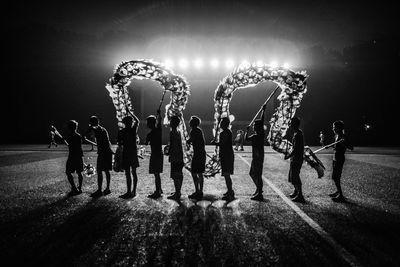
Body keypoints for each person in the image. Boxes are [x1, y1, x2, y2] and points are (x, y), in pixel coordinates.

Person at [86, 116, 113, 198]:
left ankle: (100, 189)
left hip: (104, 152)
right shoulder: (102, 129)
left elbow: (89, 131)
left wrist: (85, 133)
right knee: (105, 170)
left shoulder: (98, 129)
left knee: (100, 170)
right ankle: (106, 188)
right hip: (106, 152)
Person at [327, 120, 353, 202]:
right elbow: (336, 147)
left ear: (339, 128)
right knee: (335, 177)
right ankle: (338, 192)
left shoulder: (343, 136)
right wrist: (328, 146)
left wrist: (344, 143)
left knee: (336, 177)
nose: (333, 129)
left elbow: (351, 147)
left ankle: (340, 195)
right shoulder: (337, 136)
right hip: (335, 158)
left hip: (339, 159)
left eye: (334, 127)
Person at [245, 104, 266, 201]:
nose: (253, 126)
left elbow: (261, 121)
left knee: (257, 175)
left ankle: (259, 192)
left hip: (258, 158)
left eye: (254, 126)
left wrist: (263, 111)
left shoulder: (260, 135)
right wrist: (247, 131)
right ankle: (259, 189)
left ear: (257, 127)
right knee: (252, 174)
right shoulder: (256, 136)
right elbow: (246, 139)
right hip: (257, 158)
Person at [117, 113, 140, 198]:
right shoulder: (133, 130)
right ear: (130, 123)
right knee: (133, 172)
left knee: (128, 173)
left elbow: (119, 143)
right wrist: (130, 112)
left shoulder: (121, 132)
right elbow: (137, 121)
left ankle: (129, 191)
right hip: (133, 153)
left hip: (126, 153)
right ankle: (133, 191)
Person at [213, 117, 235, 201]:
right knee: (226, 175)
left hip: (227, 156)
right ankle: (229, 190)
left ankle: (230, 192)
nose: (221, 124)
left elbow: (223, 143)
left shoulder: (226, 133)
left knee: (227, 174)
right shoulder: (225, 132)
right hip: (225, 155)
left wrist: (216, 143)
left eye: (222, 123)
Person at [284, 117, 305, 202]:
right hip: (295, 158)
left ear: (295, 124)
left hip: (297, 158)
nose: (290, 125)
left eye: (291, 123)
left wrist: (288, 155)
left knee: (296, 176)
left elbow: (296, 148)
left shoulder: (298, 134)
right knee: (293, 176)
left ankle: (300, 195)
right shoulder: (297, 133)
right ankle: (296, 191)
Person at [145, 109, 164, 199]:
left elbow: (159, 121)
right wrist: (159, 115)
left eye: (148, 122)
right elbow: (159, 122)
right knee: (157, 173)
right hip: (157, 154)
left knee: (156, 173)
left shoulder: (154, 131)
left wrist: (159, 115)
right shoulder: (156, 131)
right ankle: (159, 188)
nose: (147, 124)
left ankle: (158, 191)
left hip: (156, 154)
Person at [187, 116, 206, 200]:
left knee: (195, 172)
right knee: (199, 173)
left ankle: (198, 190)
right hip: (201, 153)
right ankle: (199, 191)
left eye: (191, 121)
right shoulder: (199, 131)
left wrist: (186, 141)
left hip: (198, 154)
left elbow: (191, 140)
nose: (189, 123)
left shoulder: (194, 131)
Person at [64, 120, 84, 196]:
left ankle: (74, 187)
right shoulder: (78, 135)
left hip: (72, 156)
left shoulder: (69, 136)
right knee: (79, 172)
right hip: (78, 156)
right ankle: (80, 188)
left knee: (68, 172)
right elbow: (79, 147)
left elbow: (71, 146)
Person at [167, 115, 184, 201]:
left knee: (175, 175)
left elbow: (172, 145)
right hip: (180, 156)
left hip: (175, 156)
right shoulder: (179, 131)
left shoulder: (172, 132)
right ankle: (178, 191)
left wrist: (168, 152)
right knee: (179, 174)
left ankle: (177, 193)